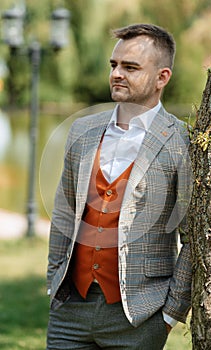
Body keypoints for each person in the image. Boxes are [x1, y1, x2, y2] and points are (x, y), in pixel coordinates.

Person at [46, 23, 192, 350]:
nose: (117, 74)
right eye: (114, 65)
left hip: (141, 315)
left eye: (130, 67)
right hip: (71, 310)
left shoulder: (182, 142)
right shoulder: (82, 130)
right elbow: (64, 212)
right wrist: (54, 284)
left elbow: (193, 238)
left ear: (162, 77)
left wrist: (171, 313)